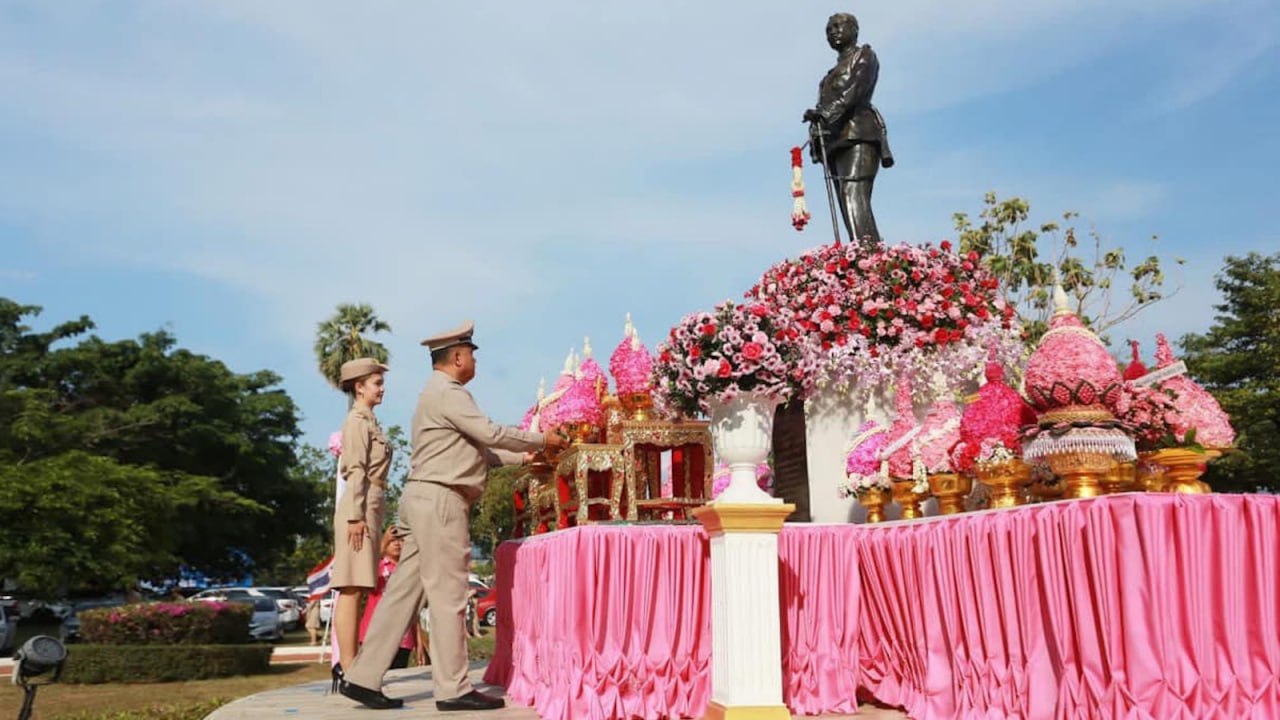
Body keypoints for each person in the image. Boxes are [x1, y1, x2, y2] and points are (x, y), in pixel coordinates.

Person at [340, 320, 567, 712]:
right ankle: (452, 688)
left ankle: (362, 677)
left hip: (424, 498)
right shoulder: (450, 393)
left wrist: (525, 455)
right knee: (448, 595)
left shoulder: (437, 394)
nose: (475, 360)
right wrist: (542, 439)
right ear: (458, 357)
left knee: (403, 595)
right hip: (441, 501)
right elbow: (491, 433)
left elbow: (479, 449)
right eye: (472, 354)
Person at [802, 12, 894, 246]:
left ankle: (867, 255)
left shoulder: (865, 56)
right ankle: (860, 250)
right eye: (828, 30)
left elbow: (855, 90)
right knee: (845, 198)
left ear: (854, 30)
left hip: (859, 134)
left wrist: (825, 113)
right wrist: (816, 126)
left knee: (852, 193)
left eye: (837, 26)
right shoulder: (827, 77)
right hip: (835, 142)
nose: (832, 32)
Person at [330, 357, 392, 691]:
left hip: (370, 505)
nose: (382, 389)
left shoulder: (370, 421)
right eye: (376, 383)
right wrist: (355, 516)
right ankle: (349, 666)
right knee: (351, 588)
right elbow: (355, 470)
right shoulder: (356, 421)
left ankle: (350, 664)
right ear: (359, 386)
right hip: (359, 508)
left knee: (359, 587)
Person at [358, 529, 421, 670]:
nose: (397, 544)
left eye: (400, 540)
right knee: (371, 675)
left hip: (403, 637)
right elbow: (363, 573)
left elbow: (413, 606)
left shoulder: (409, 570)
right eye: (392, 540)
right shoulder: (378, 567)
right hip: (374, 634)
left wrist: (419, 641)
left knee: (398, 678)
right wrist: (383, 542)